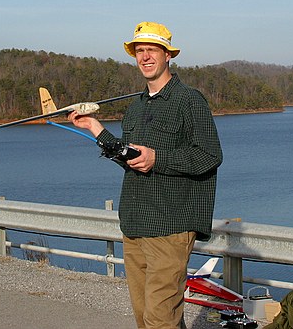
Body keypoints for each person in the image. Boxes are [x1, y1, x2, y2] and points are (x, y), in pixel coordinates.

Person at [69, 21, 223, 329]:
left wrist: (158, 158)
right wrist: (96, 129)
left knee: (159, 321)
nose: (145, 57)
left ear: (168, 55)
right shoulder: (136, 108)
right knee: (146, 319)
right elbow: (132, 161)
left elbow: (209, 155)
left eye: (152, 49)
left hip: (170, 227)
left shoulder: (189, 100)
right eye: (139, 51)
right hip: (135, 226)